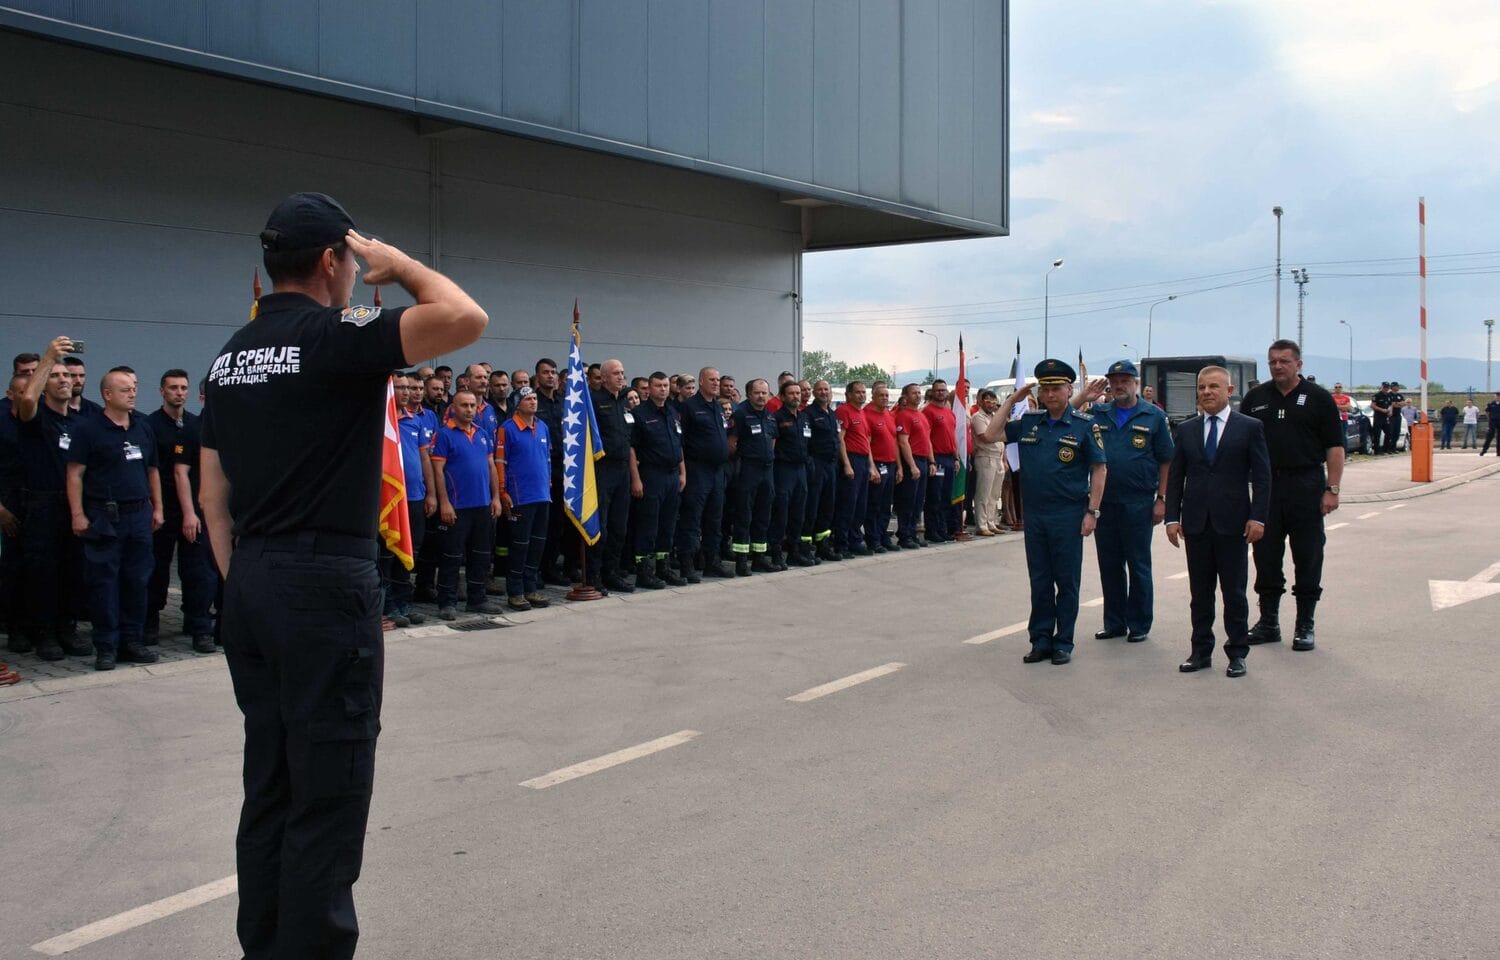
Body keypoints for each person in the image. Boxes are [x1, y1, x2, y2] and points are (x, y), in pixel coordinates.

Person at [198, 192, 487, 959]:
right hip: (322, 581)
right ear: (332, 261)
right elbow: (464, 317)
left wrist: (249, 581)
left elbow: (210, 495)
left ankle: (265, 946)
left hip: (254, 579)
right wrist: (406, 265)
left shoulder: (230, 356)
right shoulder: (333, 336)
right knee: (328, 791)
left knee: (272, 783)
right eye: (353, 262)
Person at [976, 360, 1106, 665]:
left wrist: (1093, 512)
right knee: (1040, 579)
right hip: (1036, 516)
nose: (1050, 394)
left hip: (1069, 514)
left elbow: (1100, 469)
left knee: (1067, 581)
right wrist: (1011, 400)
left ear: (1068, 390)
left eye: (1056, 388)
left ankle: (1064, 642)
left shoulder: (1085, 425)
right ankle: (1041, 639)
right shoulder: (1031, 422)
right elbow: (990, 435)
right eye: (1045, 389)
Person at [1164, 365, 1271, 678]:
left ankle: (1237, 652)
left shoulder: (1249, 427)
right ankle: (1200, 651)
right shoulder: (1186, 430)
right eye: (1201, 387)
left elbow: (1263, 478)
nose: (1206, 392)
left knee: (1234, 593)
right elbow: (1175, 478)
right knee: (1200, 594)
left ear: (1229, 391)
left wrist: (1258, 517)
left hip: (1234, 523)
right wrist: (1172, 517)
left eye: (1213, 387)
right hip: (1196, 524)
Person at [1239, 339, 1345, 652]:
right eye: (1272, 361)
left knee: (1308, 556)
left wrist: (1333, 489)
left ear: (1299, 364)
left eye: (1284, 361)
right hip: (1267, 488)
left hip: (1306, 485)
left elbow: (1335, 448)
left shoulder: (1318, 398)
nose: (1277, 367)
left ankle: (1304, 624)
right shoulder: (1256, 398)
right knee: (1265, 556)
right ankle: (1268, 622)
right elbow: (1240, 444)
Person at [65, 367, 165, 670]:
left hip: (139, 515)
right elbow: (74, 474)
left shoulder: (143, 427)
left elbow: (152, 471)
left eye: (134, 387)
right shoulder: (88, 429)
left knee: (137, 580)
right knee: (104, 583)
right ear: (107, 394)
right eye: (125, 389)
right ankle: (106, 645)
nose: (133, 393)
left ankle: (131, 641)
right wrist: (78, 514)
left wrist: (158, 508)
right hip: (104, 516)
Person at [1075, 360, 1174, 644]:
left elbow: (1167, 460)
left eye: (1125, 380)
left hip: (1138, 501)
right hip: (1105, 502)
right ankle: (1114, 622)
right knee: (1110, 563)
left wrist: (1162, 499)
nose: (1119, 385)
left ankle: (1139, 623)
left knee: (1138, 563)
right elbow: (1066, 415)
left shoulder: (1153, 416)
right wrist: (1084, 397)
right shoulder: (1098, 413)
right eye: (1114, 381)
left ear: (1136, 383)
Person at [11, 342, 88, 661]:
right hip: (41, 505)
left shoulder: (82, 422)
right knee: (43, 573)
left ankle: (66, 629)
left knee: (73, 571)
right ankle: (43, 634)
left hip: (74, 505)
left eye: (66, 375)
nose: (62, 379)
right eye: (54, 376)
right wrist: (48, 357)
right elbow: (27, 398)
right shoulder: (35, 418)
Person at [144, 369, 215, 652]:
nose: (179, 393)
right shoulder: (150, 425)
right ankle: (149, 621)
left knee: (199, 570)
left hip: (194, 510)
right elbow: (164, 471)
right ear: (162, 391)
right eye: (173, 388)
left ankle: (198, 625)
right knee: (157, 569)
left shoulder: (196, 426)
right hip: (163, 508)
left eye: (183, 388)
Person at [430, 389, 504, 619]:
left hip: (482, 505)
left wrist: (495, 498)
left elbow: (491, 466)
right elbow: (438, 471)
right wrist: (444, 503)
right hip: (457, 506)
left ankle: (477, 599)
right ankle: (447, 602)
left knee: (481, 555)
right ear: (453, 407)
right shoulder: (444, 435)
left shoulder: (482, 433)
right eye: (464, 405)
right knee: (451, 557)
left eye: (472, 405)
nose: (469, 410)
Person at [383, 374, 437, 626]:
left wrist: (431, 493)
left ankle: (405, 603)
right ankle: (388, 605)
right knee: (387, 554)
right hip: (389, 500)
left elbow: (425, 459)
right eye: (400, 387)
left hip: (415, 496)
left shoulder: (414, 421)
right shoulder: (381, 423)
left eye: (408, 388)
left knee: (409, 552)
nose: (405, 392)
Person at [629, 372, 687, 589]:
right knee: (648, 523)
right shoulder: (640, 414)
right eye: (657, 385)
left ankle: (664, 567)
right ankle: (644, 570)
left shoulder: (673, 412)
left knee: (668, 523)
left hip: (672, 474)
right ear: (649, 389)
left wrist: (683, 473)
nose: (662, 389)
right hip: (651, 475)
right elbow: (632, 449)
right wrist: (635, 479)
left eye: (665, 385)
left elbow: (678, 445)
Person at [497, 387, 552, 609]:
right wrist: (502, 491)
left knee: (537, 545)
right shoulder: (507, 429)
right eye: (528, 399)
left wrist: (548, 484)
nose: (533, 402)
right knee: (519, 546)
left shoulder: (543, 427)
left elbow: (547, 458)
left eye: (535, 398)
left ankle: (531, 589)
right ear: (517, 404)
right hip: (520, 497)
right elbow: (500, 462)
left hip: (541, 496)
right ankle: (516, 591)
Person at [675, 366, 732, 580]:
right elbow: (680, 441)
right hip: (697, 470)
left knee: (714, 519)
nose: (716, 383)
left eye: (718, 379)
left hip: (718, 471)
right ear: (701, 381)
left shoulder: (717, 407)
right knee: (692, 519)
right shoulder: (689, 407)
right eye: (712, 379)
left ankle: (712, 562)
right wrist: (683, 472)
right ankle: (687, 564)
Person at [591, 359, 637, 592]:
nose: (621, 377)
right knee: (602, 525)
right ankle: (595, 575)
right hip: (603, 469)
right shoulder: (595, 402)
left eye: (622, 372)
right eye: (616, 373)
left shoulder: (623, 404)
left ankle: (612, 572)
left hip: (622, 469)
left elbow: (628, 440)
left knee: (620, 525)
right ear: (605, 377)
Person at [729, 378, 777, 574]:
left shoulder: (770, 417)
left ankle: (759, 558)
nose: (761, 396)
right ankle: (741, 561)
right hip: (748, 470)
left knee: (763, 515)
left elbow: (773, 440)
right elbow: (732, 443)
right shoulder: (740, 415)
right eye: (757, 393)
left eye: (764, 392)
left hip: (767, 470)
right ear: (749, 394)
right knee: (744, 515)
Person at [768, 380, 811, 569]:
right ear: (783, 396)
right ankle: (777, 553)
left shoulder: (804, 417)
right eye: (791, 393)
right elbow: (772, 446)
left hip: (801, 470)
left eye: (798, 393)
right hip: (783, 470)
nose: (796, 396)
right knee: (781, 513)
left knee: (798, 513)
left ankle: (794, 553)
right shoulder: (776, 418)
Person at [832, 380, 877, 556]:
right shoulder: (844, 411)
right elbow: (840, 439)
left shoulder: (862, 413)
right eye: (857, 392)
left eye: (863, 392)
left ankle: (855, 540)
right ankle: (842, 544)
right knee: (847, 504)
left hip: (863, 461)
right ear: (848, 394)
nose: (861, 395)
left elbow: (866, 441)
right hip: (851, 460)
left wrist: (871, 466)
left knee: (860, 505)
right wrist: (847, 464)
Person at [804, 380, 844, 559]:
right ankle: (805, 546)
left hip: (831, 466)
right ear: (814, 392)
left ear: (831, 393)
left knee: (828, 506)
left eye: (826, 389)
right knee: (812, 506)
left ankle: (823, 544)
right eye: (819, 389)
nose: (823, 392)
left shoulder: (832, 415)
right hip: (816, 466)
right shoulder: (808, 414)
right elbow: (805, 442)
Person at [892, 383, 933, 549]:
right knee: (907, 500)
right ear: (905, 396)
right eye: (914, 393)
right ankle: (904, 534)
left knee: (918, 501)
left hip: (923, 460)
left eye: (919, 393)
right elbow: (903, 442)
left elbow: (928, 440)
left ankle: (913, 532)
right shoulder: (903, 415)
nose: (918, 395)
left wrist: (932, 461)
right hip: (913, 461)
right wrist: (912, 465)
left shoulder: (921, 415)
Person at [863, 381, 901, 552]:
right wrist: (872, 467)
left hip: (891, 464)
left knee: (886, 505)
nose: (885, 398)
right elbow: (866, 444)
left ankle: (882, 535)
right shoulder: (867, 414)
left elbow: (894, 441)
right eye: (881, 395)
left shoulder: (888, 414)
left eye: (887, 395)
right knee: (874, 504)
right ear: (873, 396)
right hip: (878, 464)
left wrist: (899, 466)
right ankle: (873, 538)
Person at [921, 380, 958, 544]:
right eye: (938, 390)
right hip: (937, 458)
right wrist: (932, 461)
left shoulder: (949, 412)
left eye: (943, 390)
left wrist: (956, 458)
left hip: (949, 458)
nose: (941, 393)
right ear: (932, 392)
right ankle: (932, 530)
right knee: (934, 496)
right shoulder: (928, 411)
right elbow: (926, 438)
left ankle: (942, 529)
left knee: (945, 497)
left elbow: (953, 436)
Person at [968, 389, 1006, 535]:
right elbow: (984, 437)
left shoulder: (995, 417)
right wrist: (999, 435)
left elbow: (1004, 434)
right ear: (981, 402)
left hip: (998, 456)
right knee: (983, 492)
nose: (991, 404)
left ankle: (991, 521)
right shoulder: (978, 417)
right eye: (988, 401)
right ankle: (982, 524)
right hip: (986, 457)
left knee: (995, 494)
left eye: (993, 401)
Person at [1370, 382, 1392, 454]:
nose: (1386, 389)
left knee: (1388, 433)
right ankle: (1377, 450)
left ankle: (1386, 449)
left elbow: (1390, 405)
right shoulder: (1377, 395)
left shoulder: (1389, 396)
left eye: (1387, 387)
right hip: (1378, 417)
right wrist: (1382, 410)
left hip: (1386, 417)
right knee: (1377, 434)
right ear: (1382, 387)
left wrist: (1390, 411)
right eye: (1385, 387)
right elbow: (1372, 405)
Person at [1385, 382, 1406, 452]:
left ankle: (1393, 448)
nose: (1398, 387)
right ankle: (1388, 448)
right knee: (1391, 432)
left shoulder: (1400, 395)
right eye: (1396, 386)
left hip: (1398, 416)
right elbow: (1392, 404)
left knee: (1397, 433)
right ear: (1393, 387)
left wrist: (1397, 403)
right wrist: (1398, 403)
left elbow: (1404, 403)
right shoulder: (1389, 395)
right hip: (1391, 416)